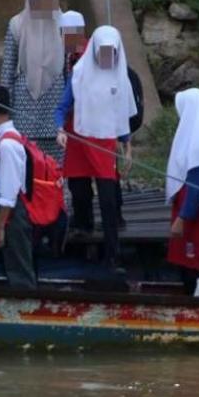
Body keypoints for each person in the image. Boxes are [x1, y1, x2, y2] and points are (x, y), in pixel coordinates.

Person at [55, 26, 136, 268]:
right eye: (102, 52)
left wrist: (127, 146)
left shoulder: (121, 77)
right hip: (80, 139)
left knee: (108, 199)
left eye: (111, 53)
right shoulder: (79, 74)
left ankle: (112, 252)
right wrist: (60, 129)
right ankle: (83, 228)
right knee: (79, 190)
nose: (106, 58)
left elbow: (121, 114)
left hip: (105, 142)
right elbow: (62, 106)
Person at [0, 0, 66, 163]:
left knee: (55, 164)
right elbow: (8, 69)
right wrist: (3, 109)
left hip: (56, 100)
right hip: (24, 102)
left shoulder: (65, 24)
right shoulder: (16, 24)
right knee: (26, 159)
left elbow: (72, 65)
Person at [0, 85, 37, 289]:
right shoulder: (6, 137)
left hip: (14, 215)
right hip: (10, 212)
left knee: (20, 271)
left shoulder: (7, 144)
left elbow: (9, 193)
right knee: (14, 264)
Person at [166, 88, 199, 292]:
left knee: (193, 263)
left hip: (194, 216)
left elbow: (197, 187)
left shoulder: (198, 145)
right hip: (197, 211)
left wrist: (182, 218)